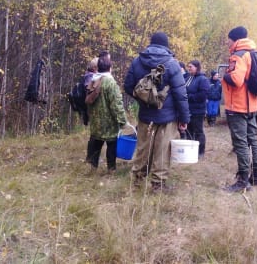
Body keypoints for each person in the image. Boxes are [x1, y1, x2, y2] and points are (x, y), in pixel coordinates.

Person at [124, 32, 190, 193]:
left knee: (142, 148)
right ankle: (157, 186)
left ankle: (136, 183)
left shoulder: (137, 62)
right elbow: (181, 94)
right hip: (167, 117)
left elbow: (128, 86)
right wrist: (184, 117)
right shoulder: (172, 64)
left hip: (145, 115)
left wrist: (144, 99)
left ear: (151, 43)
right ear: (166, 46)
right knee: (163, 149)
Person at [221, 26, 257, 191]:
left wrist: (224, 76)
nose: (227, 42)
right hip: (252, 106)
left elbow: (236, 80)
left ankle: (242, 181)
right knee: (253, 141)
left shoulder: (238, 56)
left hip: (238, 107)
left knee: (241, 143)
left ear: (235, 39)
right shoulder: (253, 54)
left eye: (229, 39)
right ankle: (256, 176)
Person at [86, 55, 127, 173]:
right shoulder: (110, 82)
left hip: (96, 122)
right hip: (109, 123)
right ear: (110, 68)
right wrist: (122, 121)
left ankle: (92, 168)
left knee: (96, 144)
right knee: (111, 146)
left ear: (98, 68)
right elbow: (116, 105)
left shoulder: (93, 80)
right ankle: (111, 170)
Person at [184, 60, 210, 159]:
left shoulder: (203, 79)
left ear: (196, 67)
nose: (189, 68)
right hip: (188, 109)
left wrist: (189, 97)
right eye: (188, 67)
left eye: (191, 67)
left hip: (198, 110)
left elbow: (203, 95)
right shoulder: (188, 78)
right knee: (188, 130)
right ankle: (191, 150)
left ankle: (200, 152)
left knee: (198, 131)